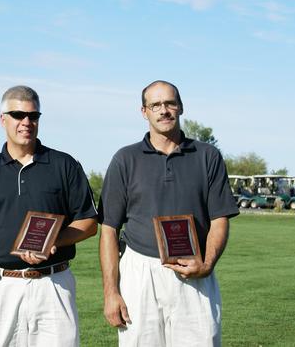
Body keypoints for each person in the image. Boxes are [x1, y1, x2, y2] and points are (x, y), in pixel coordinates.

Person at [98, 80, 239, 346]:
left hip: (194, 270)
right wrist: (111, 292)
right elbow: (108, 229)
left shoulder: (207, 155)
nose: (163, 110)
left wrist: (207, 264)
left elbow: (219, 219)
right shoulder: (125, 159)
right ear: (144, 112)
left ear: (180, 107)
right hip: (140, 271)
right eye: (155, 105)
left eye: (169, 103)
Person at [0, 85, 98, 347]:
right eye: (17, 115)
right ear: (3, 120)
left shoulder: (64, 165)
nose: (26, 122)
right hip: (1, 286)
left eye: (33, 116)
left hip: (54, 283)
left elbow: (89, 223)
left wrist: (54, 241)